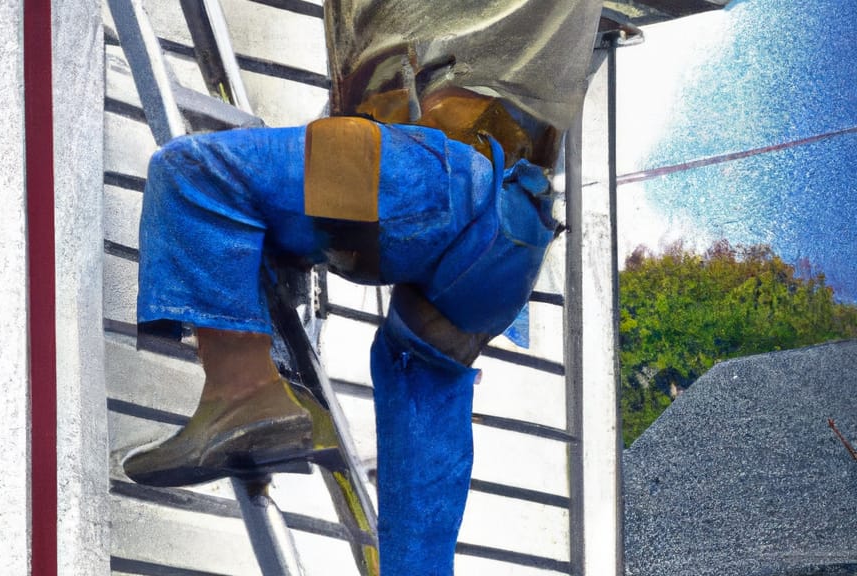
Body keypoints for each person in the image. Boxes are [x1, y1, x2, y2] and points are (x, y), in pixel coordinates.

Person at [123, 1, 602, 573]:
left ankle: (244, 392)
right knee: (416, 373)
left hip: (430, 178)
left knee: (195, 174)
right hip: (512, 235)